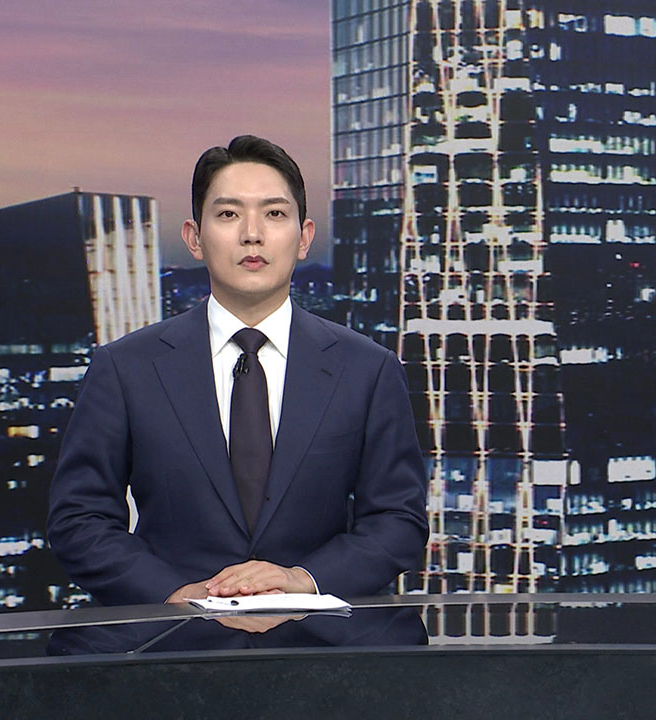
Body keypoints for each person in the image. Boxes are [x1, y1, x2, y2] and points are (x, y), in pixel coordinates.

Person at [48, 135, 427, 607]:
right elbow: (79, 519)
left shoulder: (368, 369)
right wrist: (175, 595)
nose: (252, 234)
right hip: (174, 638)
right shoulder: (125, 368)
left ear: (304, 237)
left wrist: (303, 581)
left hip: (324, 639)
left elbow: (398, 520)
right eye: (228, 214)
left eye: (275, 213)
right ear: (194, 238)